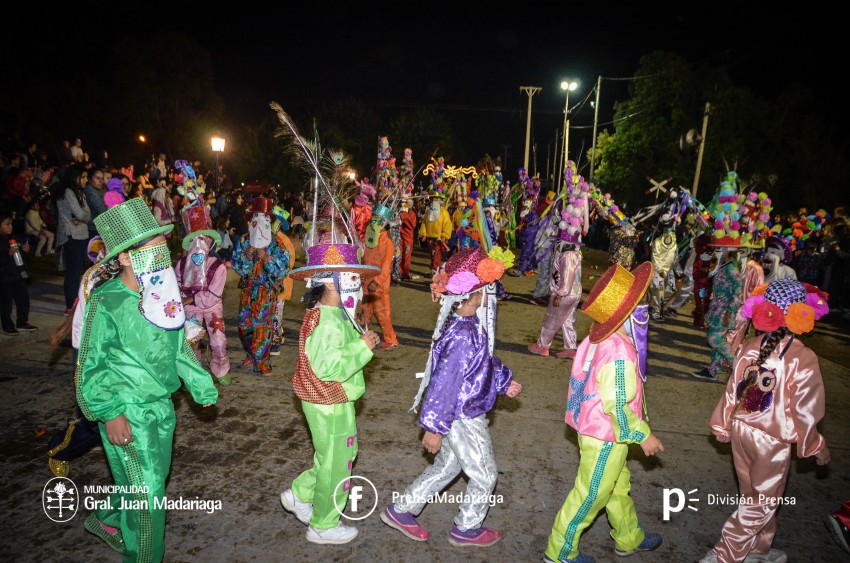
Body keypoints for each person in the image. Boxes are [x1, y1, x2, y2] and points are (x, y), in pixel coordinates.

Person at [77, 198, 218, 561]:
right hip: (129, 411)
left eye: (162, 251)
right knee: (149, 494)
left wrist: (201, 385)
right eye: (153, 251)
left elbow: (177, 349)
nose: (163, 259)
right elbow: (91, 365)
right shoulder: (106, 301)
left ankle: (108, 518)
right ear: (126, 257)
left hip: (161, 408)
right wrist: (110, 412)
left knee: (146, 478)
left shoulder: (162, 295)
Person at [380, 247, 521, 547]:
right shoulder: (461, 335)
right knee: (485, 474)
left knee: (448, 467)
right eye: (486, 289)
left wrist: (503, 381)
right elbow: (444, 384)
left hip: (458, 414)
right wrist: (433, 428)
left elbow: (482, 363)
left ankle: (402, 509)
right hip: (464, 416)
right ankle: (467, 527)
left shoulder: (468, 326)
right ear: (474, 294)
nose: (489, 295)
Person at [702, 279, 831, 563]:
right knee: (763, 502)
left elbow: (733, 389)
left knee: (752, 494)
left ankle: (758, 549)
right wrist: (814, 445)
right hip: (771, 441)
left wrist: (722, 424)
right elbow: (806, 410)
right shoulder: (802, 357)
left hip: (741, 431)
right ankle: (723, 556)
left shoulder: (751, 345)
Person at [545, 262, 664, 563]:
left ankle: (628, 537)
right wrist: (643, 435)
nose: (645, 310)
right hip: (606, 435)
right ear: (628, 313)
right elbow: (617, 404)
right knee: (589, 495)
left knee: (616, 487)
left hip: (598, 431)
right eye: (641, 305)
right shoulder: (620, 352)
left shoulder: (599, 339)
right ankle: (559, 552)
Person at [280, 240, 381, 545]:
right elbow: (329, 366)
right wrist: (361, 348)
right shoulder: (326, 321)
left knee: (335, 456)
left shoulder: (327, 312)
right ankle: (323, 524)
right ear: (330, 284)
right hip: (329, 400)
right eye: (351, 279)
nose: (358, 286)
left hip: (326, 399)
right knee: (338, 462)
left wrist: (358, 334)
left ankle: (300, 494)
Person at [232, 197, 290, 375]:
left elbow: (283, 269)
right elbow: (237, 266)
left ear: (270, 220)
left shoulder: (277, 243)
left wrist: (268, 259)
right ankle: (252, 353)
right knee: (244, 326)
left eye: (265, 217)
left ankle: (262, 362)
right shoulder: (244, 241)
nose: (260, 220)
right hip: (249, 290)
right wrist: (247, 258)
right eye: (256, 216)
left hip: (267, 291)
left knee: (262, 327)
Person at [175, 205, 231, 386]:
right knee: (191, 341)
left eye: (204, 239)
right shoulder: (181, 265)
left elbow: (213, 296)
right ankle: (194, 374)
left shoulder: (218, 267)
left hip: (211, 307)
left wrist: (191, 298)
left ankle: (220, 368)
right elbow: (177, 286)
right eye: (194, 239)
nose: (199, 243)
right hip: (191, 309)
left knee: (218, 340)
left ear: (211, 242)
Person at [362, 203, 400, 350]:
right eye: (373, 216)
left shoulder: (387, 241)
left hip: (378, 284)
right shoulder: (371, 237)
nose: (374, 219)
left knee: (382, 312)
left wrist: (376, 281)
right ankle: (365, 336)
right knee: (365, 311)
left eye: (377, 218)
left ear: (384, 221)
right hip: (366, 281)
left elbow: (386, 267)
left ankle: (391, 340)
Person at [55, 167, 92, 312]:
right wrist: (83, 218)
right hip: (71, 235)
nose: (85, 180)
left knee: (77, 272)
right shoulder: (68, 192)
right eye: (82, 177)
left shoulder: (79, 192)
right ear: (74, 177)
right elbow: (80, 214)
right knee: (73, 272)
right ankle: (70, 306)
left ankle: (74, 304)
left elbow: (87, 215)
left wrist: (83, 219)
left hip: (80, 234)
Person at [1, 211, 35, 335]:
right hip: (5, 277)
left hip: (18, 274)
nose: (10, 226)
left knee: (23, 299)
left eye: (11, 224)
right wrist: (6, 254)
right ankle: (7, 325)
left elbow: (24, 256)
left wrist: (27, 251)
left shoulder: (14, 238)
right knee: (6, 303)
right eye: (7, 224)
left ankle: (22, 322)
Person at [270, 205, 295, 354]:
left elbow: (289, 264)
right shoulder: (266, 238)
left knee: (275, 314)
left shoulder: (283, 241)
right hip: (269, 285)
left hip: (280, 285)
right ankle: (274, 336)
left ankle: (275, 341)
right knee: (271, 313)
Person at [418, 194, 452, 274]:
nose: (435, 201)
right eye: (433, 199)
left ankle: (435, 270)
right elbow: (424, 223)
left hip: (438, 238)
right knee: (432, 254)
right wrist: (424, 234)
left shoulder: (444, 212)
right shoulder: (428, 212)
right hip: (430, 237)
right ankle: (433, 269)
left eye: (437, 199)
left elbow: (447, 224)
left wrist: (444, 235)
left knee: (437, 254)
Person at [399, 196, 417, 280]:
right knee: (398, 255)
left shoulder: (411, 213)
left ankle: (405, 273)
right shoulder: (401, 211)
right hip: (400, 237)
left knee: (406, 256)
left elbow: (412, 225)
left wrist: (404, 215)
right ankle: (399, 272)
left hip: (408, 238)